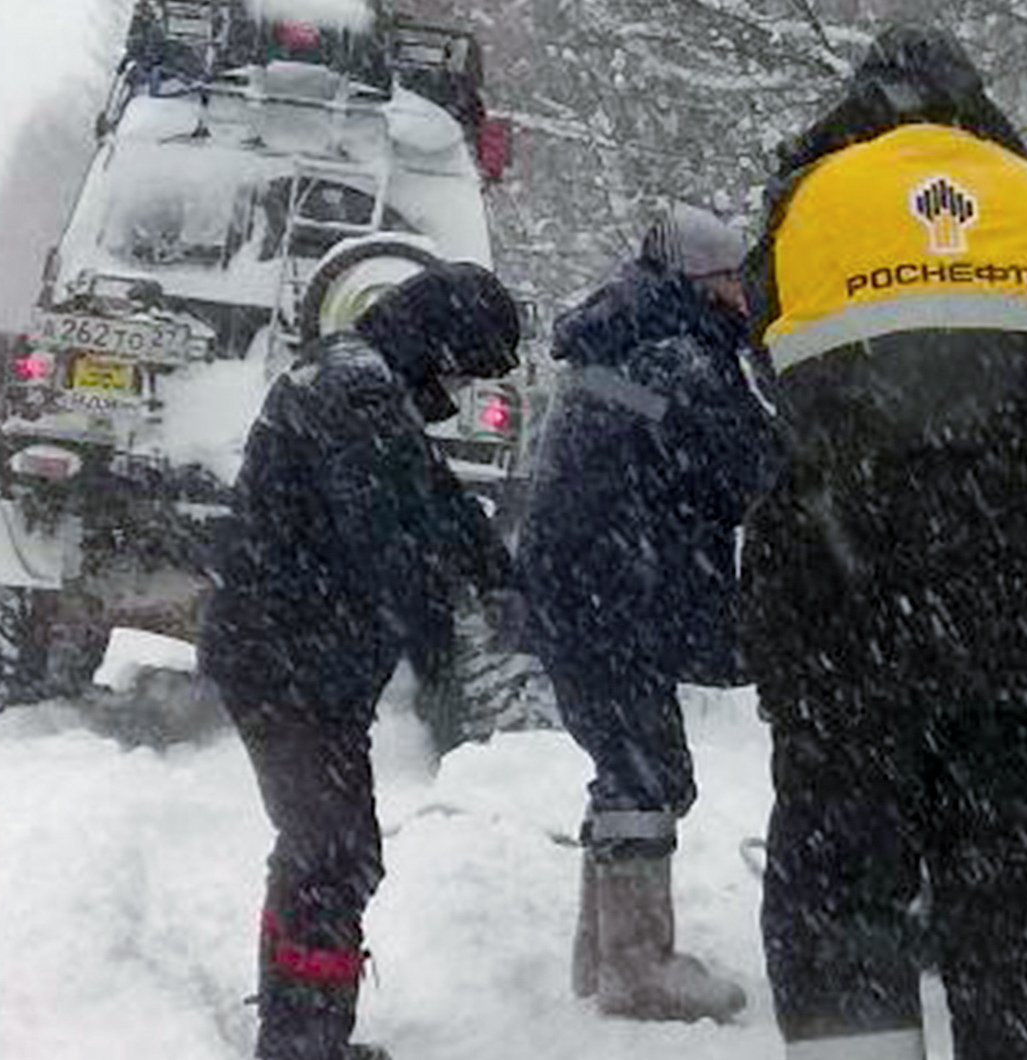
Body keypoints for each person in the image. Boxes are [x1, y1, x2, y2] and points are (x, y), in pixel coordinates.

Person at [740, 26, 1027, 1060]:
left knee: (839, 872)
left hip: (847, 580)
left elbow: (772, 370)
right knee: (1016, 876)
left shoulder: (809, 196)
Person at [199, 262, 522, 1060]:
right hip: (289, 662)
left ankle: (300, 1031)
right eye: (462, 363)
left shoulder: (361, 377)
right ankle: (304, 1043)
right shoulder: (357, 393)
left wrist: (502, 574)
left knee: (324, 847)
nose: (457, 382)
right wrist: (438, 643)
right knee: (333, 854)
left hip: (294, 659)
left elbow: (432, 498)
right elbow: (388, 531)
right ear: (438, 337)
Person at [519, 201, 779, 1023]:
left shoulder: (620, 350)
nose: (749, 300)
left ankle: (603, 960)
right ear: (702, 285)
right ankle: (637, 970)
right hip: (611, 594)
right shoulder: (677, 361)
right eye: (738, 283)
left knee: (634, 763)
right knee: (645, 771)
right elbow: (753, 467)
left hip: (589, 589)